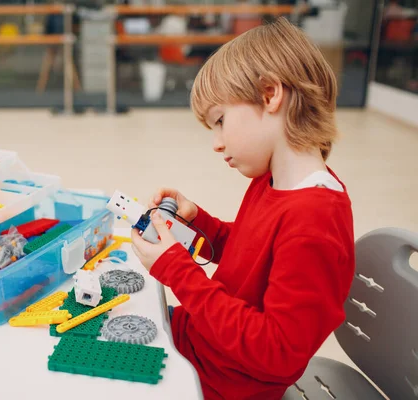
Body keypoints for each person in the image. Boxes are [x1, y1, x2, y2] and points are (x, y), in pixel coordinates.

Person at [130, 17, 355, 400]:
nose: (216, 143)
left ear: (270, 95)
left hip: (220, 383)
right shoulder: (272, 180)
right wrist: (199, 223)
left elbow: (277, 352)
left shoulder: (316, 218)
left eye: (220, 121)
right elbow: (253, 254)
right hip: (202, 345)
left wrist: (178, 273)